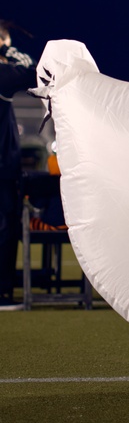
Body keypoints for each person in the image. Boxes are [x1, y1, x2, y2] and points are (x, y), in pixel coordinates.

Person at [0, 19, 37, 306]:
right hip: (2, 168)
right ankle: (2, 290)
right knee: (5, 225)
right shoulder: (3, 74)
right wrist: (7, 48)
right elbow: (33, 70)